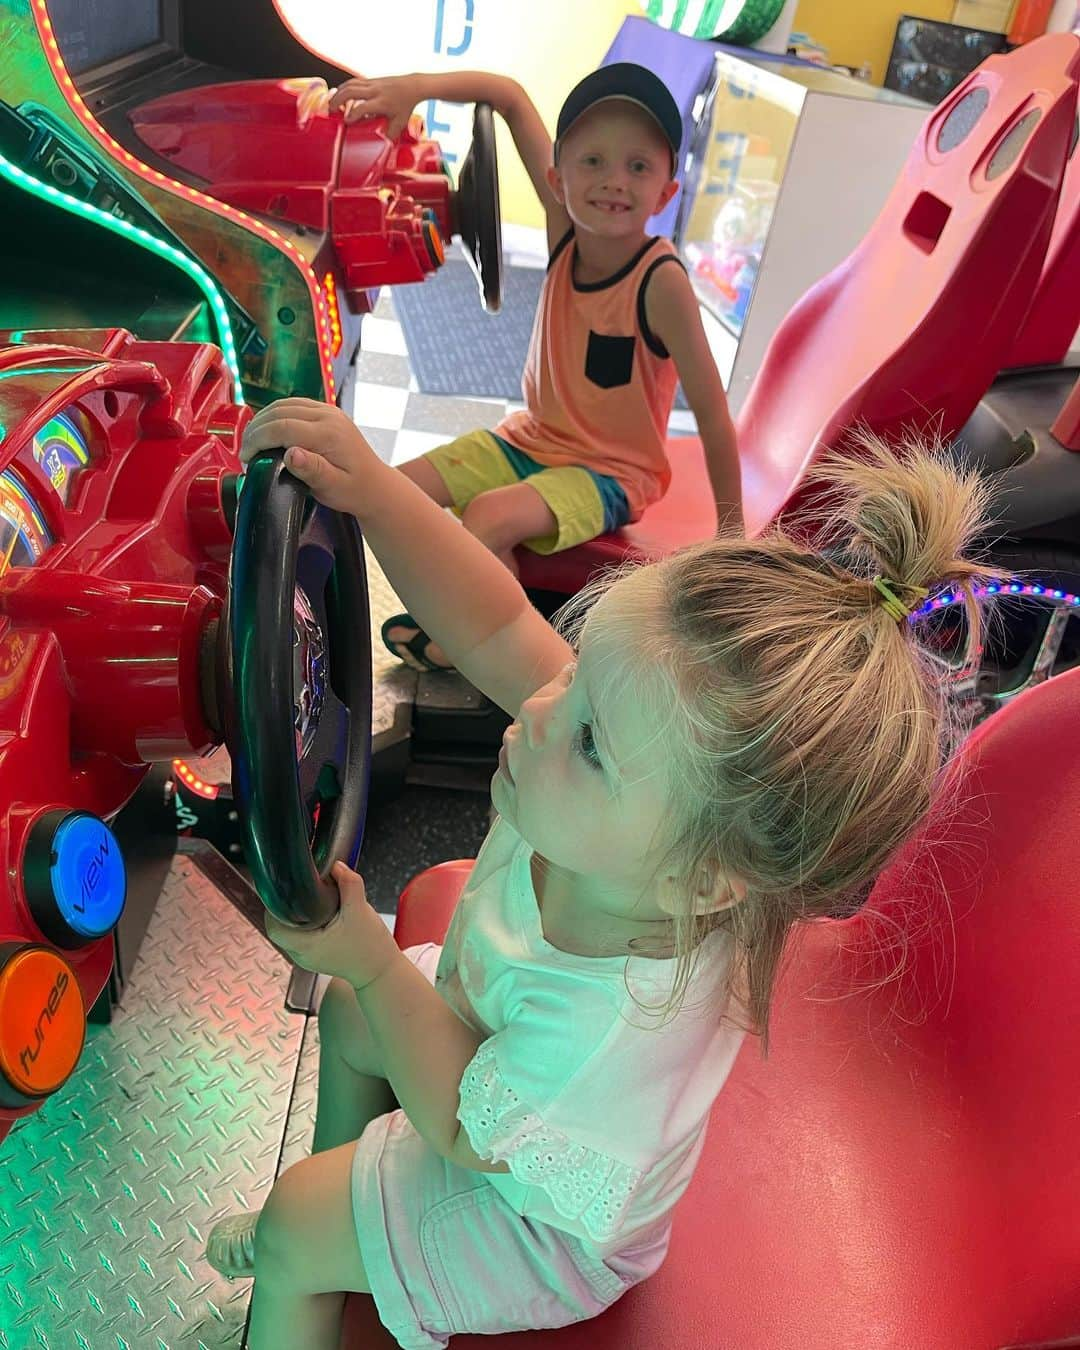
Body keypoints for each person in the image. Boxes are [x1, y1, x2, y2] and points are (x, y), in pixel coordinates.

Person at [203, 400, 994, 1350]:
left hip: (533, 1220)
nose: (539, 708)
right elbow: (496, 623)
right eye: (576, 675)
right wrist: (375, 493)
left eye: (587, 736)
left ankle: (312, 1249)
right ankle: (348, 1241)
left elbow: (465, 1128)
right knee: (344, 1016)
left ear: (702, 885)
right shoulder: (641, 808)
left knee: (295, 1211)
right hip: (490, 1076)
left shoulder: (618, 1017)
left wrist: (373, 958)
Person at [327, 62, 742, 673]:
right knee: (394, 488)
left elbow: (709, 409)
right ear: (557, 177)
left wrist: (732, 541)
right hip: (529, 441)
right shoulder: (563, 231)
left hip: (611, 472)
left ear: (666, 193)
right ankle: (462, 608)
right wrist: (412, 87)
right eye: (592, 161)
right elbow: (510, 94)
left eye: (638, 166)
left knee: (487, 516)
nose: (614, 182)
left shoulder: (662, 282)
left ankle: (494, 645)